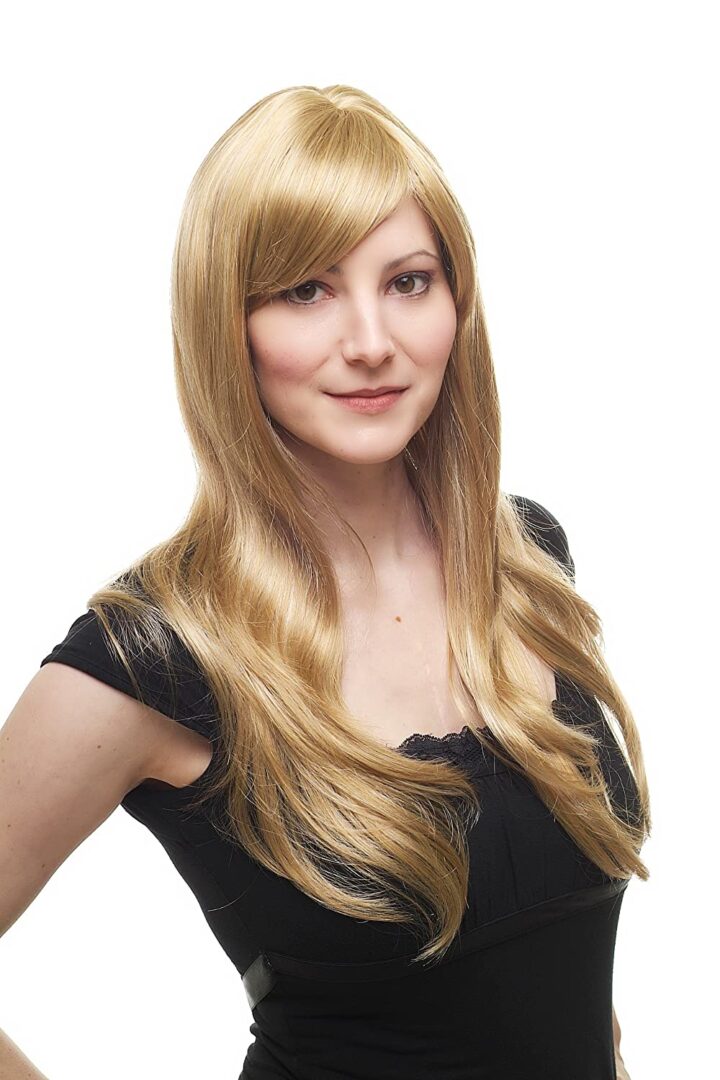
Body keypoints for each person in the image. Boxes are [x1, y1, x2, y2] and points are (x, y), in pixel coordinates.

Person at [0, 83, 650, 1079]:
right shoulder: (156, 656)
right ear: (228, 323)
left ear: (457, 302)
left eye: (408, 282)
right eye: (306, 290)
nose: (371, 342)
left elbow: (551, 986)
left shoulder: (522, 558)